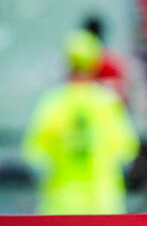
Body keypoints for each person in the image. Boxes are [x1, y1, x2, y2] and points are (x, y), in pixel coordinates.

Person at [22, 29, 140, 214]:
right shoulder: (108, 104)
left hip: (60, 206)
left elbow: (35, 155)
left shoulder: (52, 105)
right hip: (103, 205)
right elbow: (126, 151)